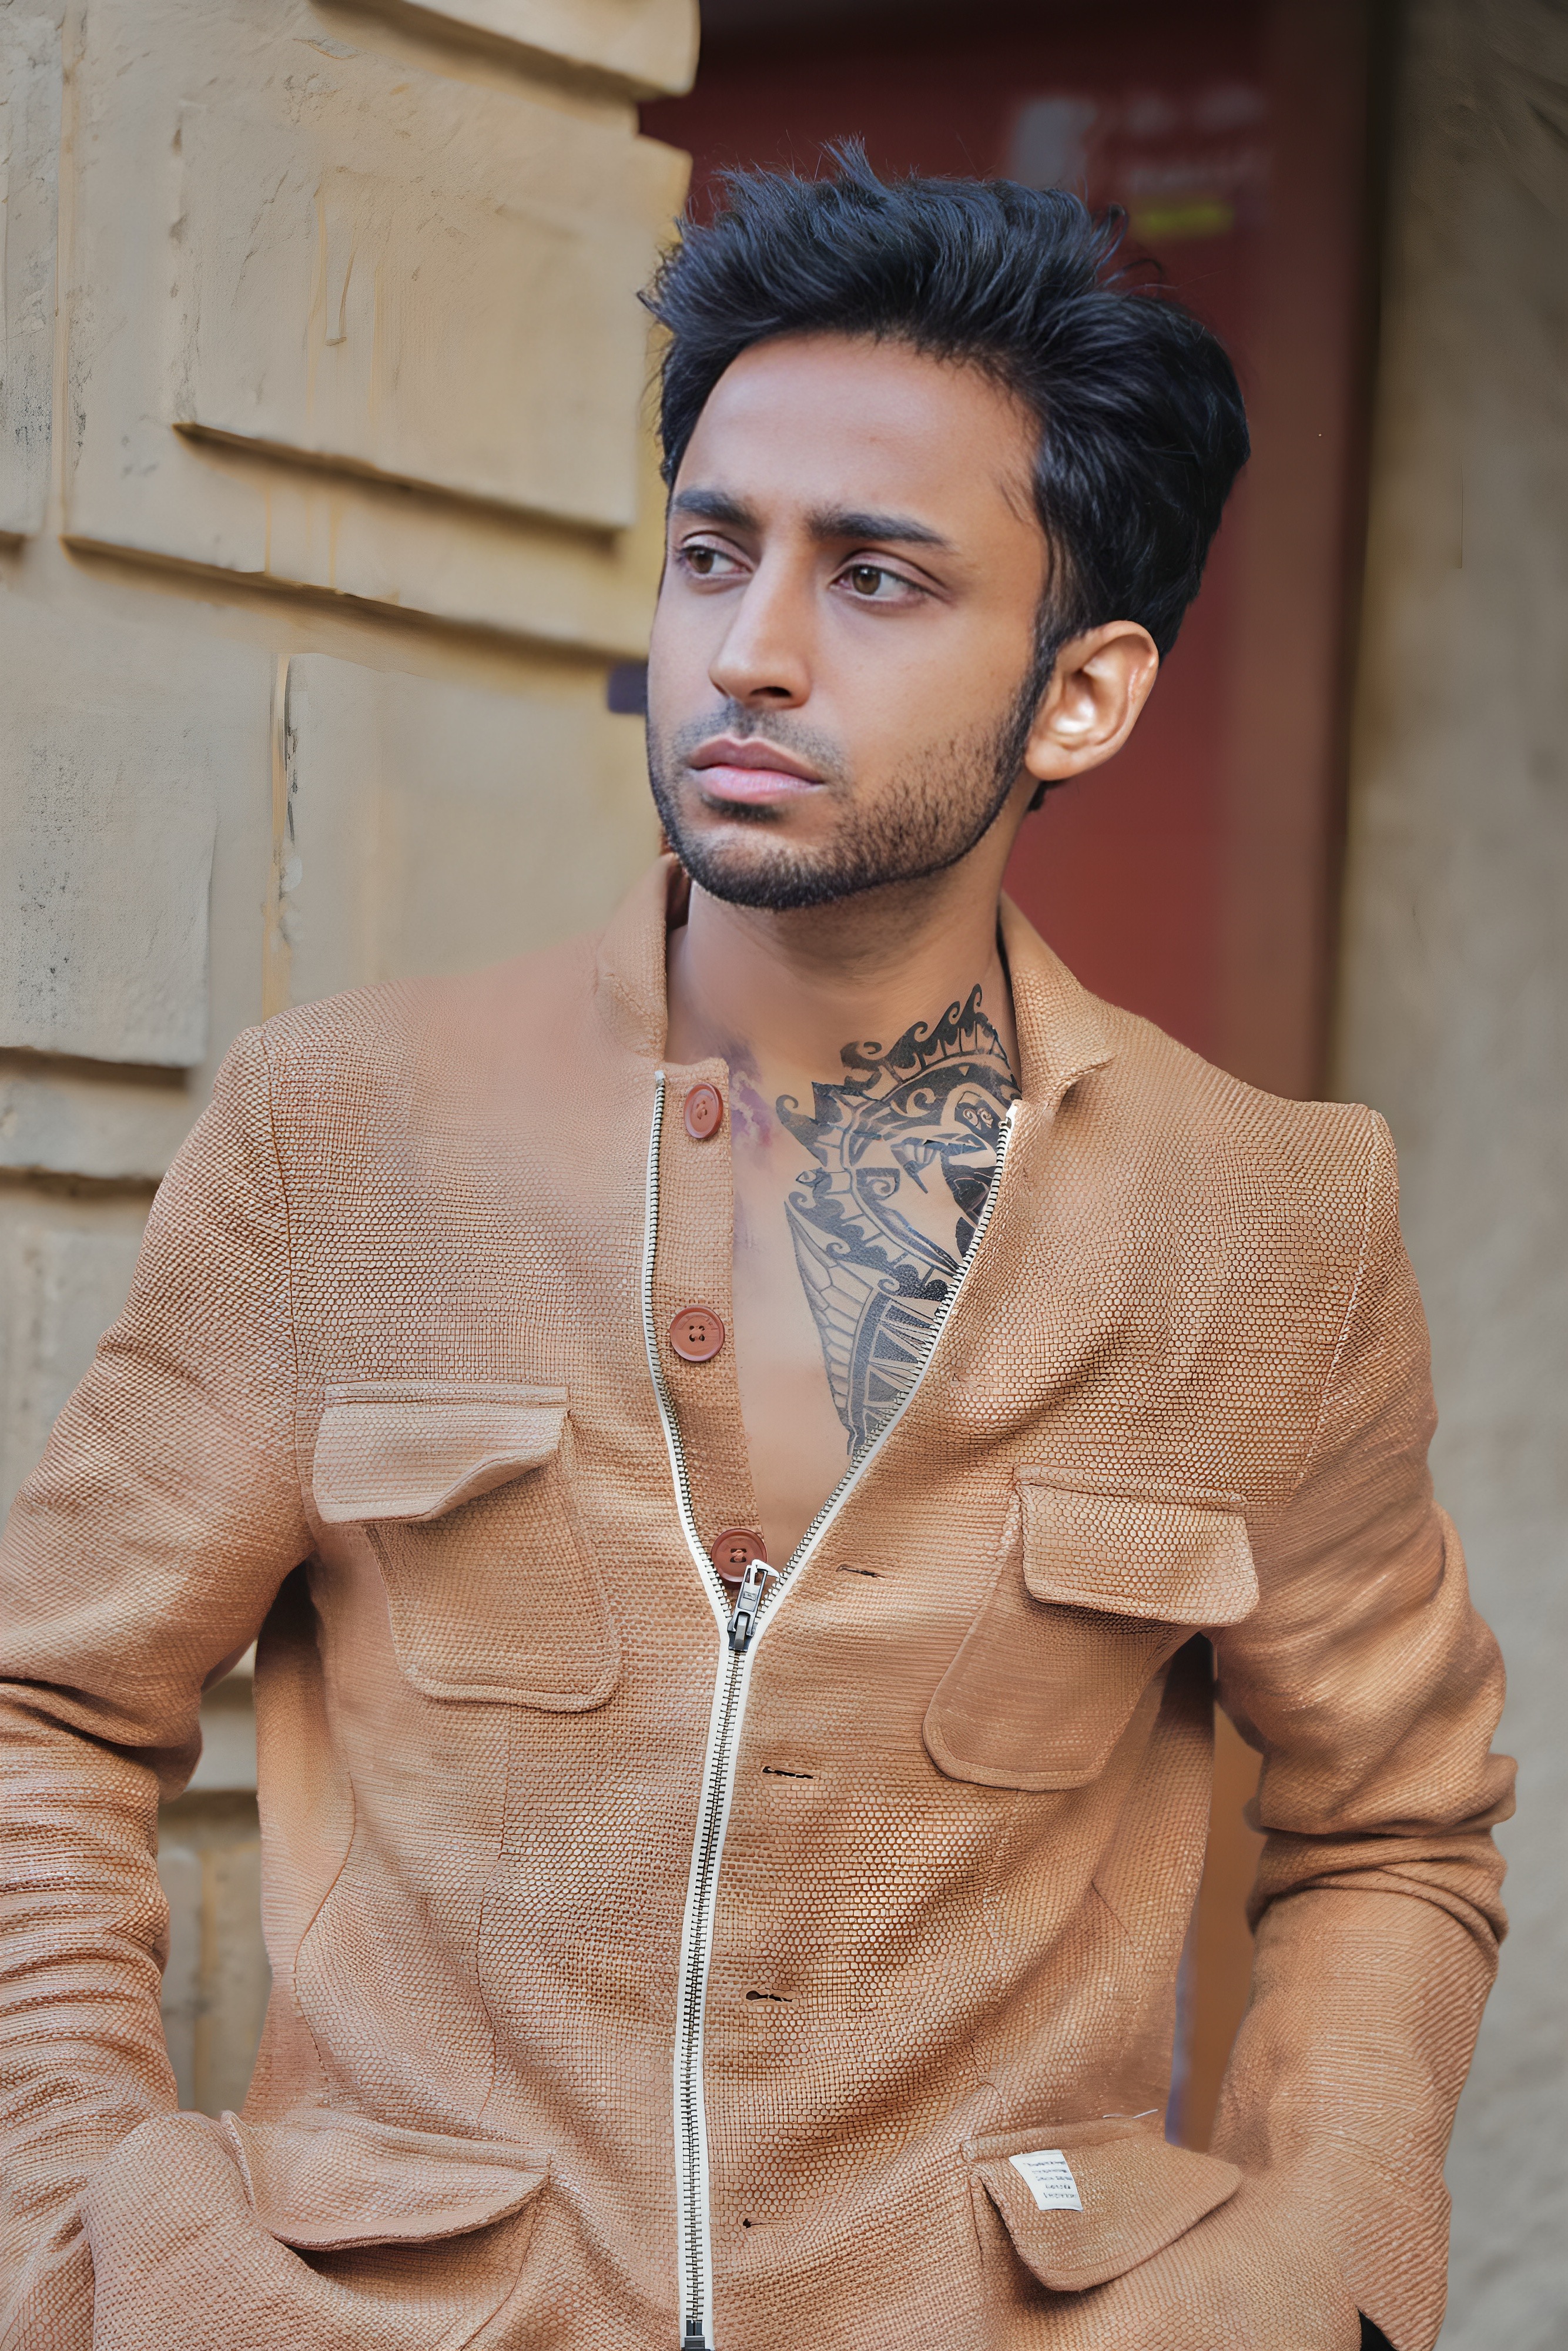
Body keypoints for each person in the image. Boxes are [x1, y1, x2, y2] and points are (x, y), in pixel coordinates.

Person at [0, 152, 1509, 2351]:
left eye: (875, 579)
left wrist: (1320, 2271)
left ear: (1080, 697)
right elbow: (47, 1708)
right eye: (712, 554)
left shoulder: (1268, 1224)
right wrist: (85, 2227)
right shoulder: (343, 1136)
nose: (748, 651)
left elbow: (1394, 1824)